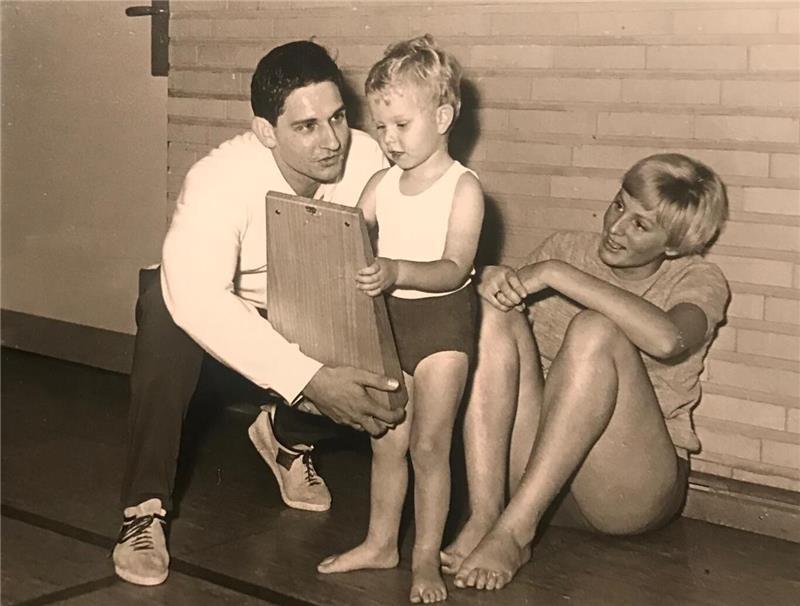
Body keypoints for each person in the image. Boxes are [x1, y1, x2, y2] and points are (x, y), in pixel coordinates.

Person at [112, 40, 406, 587]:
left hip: (302, 304)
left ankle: (285, 440)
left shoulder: (367, 157)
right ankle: (144, 511)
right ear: (266, 131)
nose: (332, 140)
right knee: (163, 308)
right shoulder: (218, 178)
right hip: (212, 314)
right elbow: (196, 297)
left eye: (338, 117)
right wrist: (310, 379)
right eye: (308, 126)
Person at [442, 153, 730, 591]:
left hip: (627, 490)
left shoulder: (698, 277)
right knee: (492, 308)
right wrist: (486, 281)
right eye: (620, 205)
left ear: (672, 244)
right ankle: (486, 516)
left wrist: (557, 274)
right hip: (537, 476)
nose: (615, 227)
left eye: (640, 224)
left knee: (595, 330)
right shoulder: (568, 246)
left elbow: (668, 339)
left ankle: (514, 532)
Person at [316, 35, 484, 604]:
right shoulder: (380, 183)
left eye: (401, 126)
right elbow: (348, 236)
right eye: (381, 128)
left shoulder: (464, 189)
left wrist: (394, 270)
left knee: (430, 448)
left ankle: (424, 560)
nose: (388, 141)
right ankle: (380, 542)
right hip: (389, 323)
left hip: (441, 327)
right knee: (387, 442)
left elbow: (454, 267)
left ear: (443, 117)